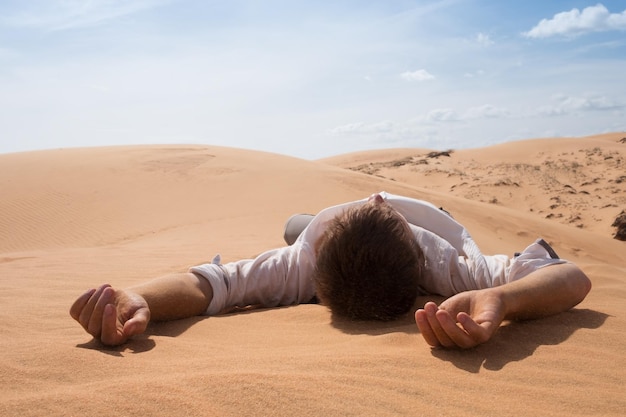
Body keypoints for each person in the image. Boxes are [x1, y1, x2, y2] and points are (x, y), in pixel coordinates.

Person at [70, 192, 591, 349]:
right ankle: (305, 219)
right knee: (295, 223)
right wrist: (140, 296)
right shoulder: (306, 255)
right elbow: (205, 283)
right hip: (319, 224)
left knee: (291, 227)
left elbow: (570, 276)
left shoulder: (446, 259)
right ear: (316, 277)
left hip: (433, 219)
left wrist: (507, 300)